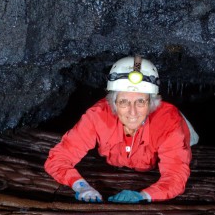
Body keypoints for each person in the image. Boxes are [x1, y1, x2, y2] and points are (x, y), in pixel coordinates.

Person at [44, 55, 193, 203]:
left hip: (175, 137)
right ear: (113, 103)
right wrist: (80, 186)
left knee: (182, 146)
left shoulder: (168, 122)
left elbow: (176, 175)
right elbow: (58, 159)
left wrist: (145, 195)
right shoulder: (98, 115)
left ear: (151, 103)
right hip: (120, 158)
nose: (132, 112)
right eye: (124, 102)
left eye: (140, 102)